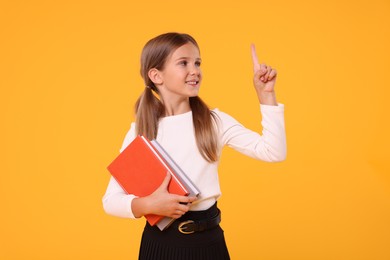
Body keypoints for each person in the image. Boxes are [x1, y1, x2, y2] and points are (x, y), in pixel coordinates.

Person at [102, 32, 286, 260]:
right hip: (160, 245)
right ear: (156, 75)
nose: (195, 70)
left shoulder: (214, 121)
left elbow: (273, 152)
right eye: (183, 63)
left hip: (209, 244)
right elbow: (110, 201)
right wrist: (150, 204)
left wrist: (266, 96)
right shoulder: (141, 131)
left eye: (197, 63)